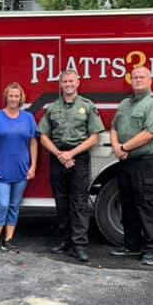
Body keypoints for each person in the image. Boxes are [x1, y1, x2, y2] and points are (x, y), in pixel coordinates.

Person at [39, 69, 105, 263]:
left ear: (78, 83)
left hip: (79, 158)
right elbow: (42, 135)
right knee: (61, 202)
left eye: (71, 81)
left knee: (79, 203)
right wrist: (60, 154)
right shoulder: (52, 108)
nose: (68, 84)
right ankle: (64, 241)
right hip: (58, 158)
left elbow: (95, 136)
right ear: (60, 84)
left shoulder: (87, 106)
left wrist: (71, 154)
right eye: (64, 81)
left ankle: (79, 245)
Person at [110, 65, 153, 266]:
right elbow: (114, 127)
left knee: (147, 206)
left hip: (147, 163)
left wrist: (123, 147)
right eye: (135, 77)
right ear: (130, 80)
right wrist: (116, 146)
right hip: (126, 162)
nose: (138, 80)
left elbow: (150, 132)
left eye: (142, 77)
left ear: (150, 80)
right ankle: (131, 245)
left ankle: (151, 249)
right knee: (128, 205)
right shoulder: (125, 103)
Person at [0, 82, 38, 256]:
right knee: (2, 205)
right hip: (0, 170)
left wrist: (33, 166)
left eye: (17, 96)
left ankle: (8, 240)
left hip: (21, 170)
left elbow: (33, 142)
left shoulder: (28, 118)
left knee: (14, 206)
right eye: (11, 95)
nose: (14, 98)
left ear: (21, 98)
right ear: (6, 97)